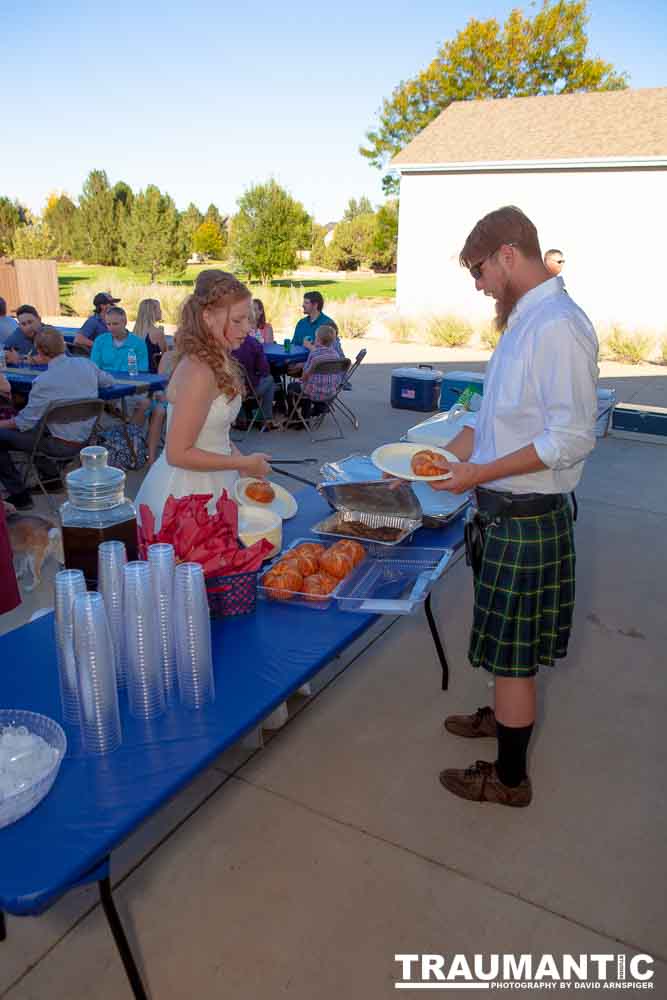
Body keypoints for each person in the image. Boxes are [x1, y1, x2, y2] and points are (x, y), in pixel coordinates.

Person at [430, 206, 598, 808]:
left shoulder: (555, 325)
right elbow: (491, 420)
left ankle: (508, 778)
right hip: (505, 518)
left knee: (515, 659)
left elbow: (571, 438)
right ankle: (504, 717)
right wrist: (427, 464)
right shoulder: (525, 322)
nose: (477, 285)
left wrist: (479, 473)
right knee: (508, 648)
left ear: (506, 253)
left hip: (526, 520)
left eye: (478, 270)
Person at [134, 270, 271, 529]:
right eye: (238, 320)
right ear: (208, 317)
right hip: (185, 493)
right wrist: (242, 462)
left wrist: (245, 468)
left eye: (249, 320)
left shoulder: (219, 359)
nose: (248, 329)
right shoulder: (199, 371)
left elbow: (214, 434)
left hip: (216, 481)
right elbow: (177, 453)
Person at [0, 328, 114, 509]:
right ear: (63, 345)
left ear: (39, 352)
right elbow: (109, 381)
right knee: (38, 423)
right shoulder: (86, 364)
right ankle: (50, 478)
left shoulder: (43, 381)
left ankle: (19, 495)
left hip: (60, 444)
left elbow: (23, 423)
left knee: (10, 432)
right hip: (86, 438)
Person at [286, 325, 345, 423]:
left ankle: (294, 417)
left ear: (318, 339)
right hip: (329, 392)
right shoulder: (335, 355)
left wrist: (300, 378)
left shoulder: (314, 355)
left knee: (293, 387)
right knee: (306, 387)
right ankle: (311, 412)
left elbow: (305, 376)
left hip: (313, 393)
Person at [232, 326, 279, 430]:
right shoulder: (253, 344)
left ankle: (241, 418)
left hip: (230, 388)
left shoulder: (226, 343)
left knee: (236, 382)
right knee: (270, 380)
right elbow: (264, 371)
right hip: (250, 388)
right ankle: (266, 420)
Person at [91, 306, 149, 373]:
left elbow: (142, 371)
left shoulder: (138, 343)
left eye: (115, 324)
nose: (111, 328)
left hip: (130, 382)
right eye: (108, 324)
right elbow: (94, 368)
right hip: (105, 381)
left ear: (125, 322)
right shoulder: (100, 341)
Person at [134, 298, 169, 372]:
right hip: (152, 373)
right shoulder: (157, 332)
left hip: (137, 371)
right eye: (159, 309)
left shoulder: (134, 332)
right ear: (152, 312)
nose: (161, 311)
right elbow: (165, 355)